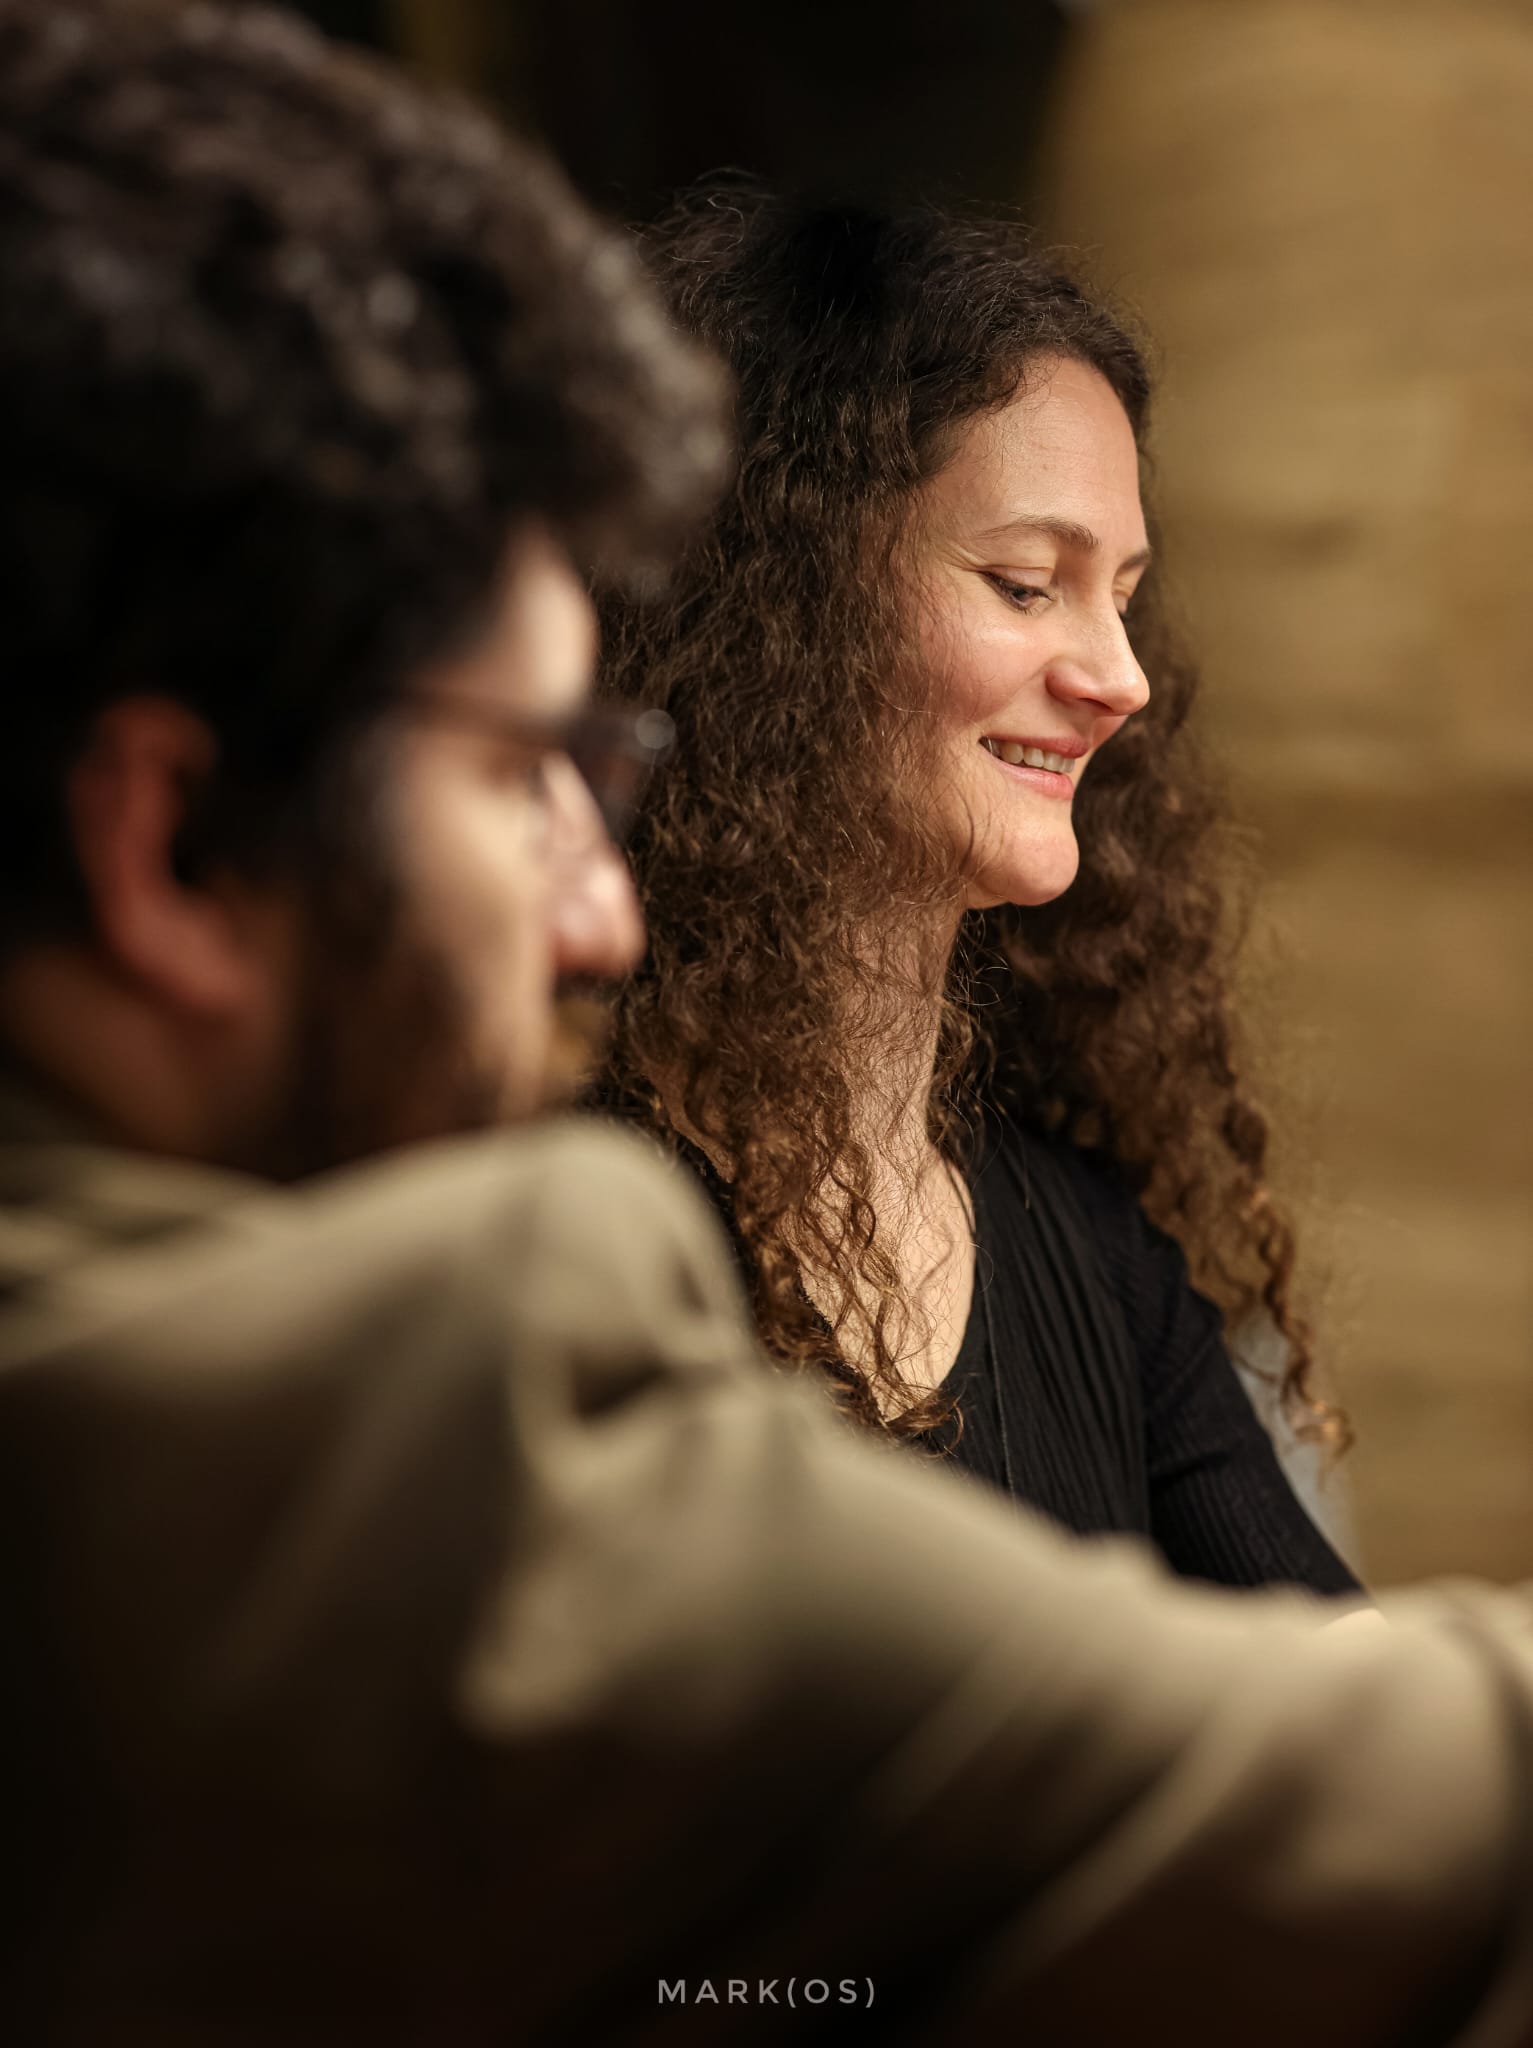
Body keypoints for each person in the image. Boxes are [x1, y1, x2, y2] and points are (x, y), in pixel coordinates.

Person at [0, 5, 1531, 2043]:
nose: (594, 899)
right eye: (522, 769)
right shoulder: (426, 1342)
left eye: (1124, 594)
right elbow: (1341, 1797)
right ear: (172, 844)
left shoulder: (1085, 1237)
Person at [593, 185, 1359, 1594]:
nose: (1120, 679)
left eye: (1122, 594)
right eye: (1024, 583)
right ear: (784, 606)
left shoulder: (1098, 1254)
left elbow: (1338, 1675)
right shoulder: (559, 1217)